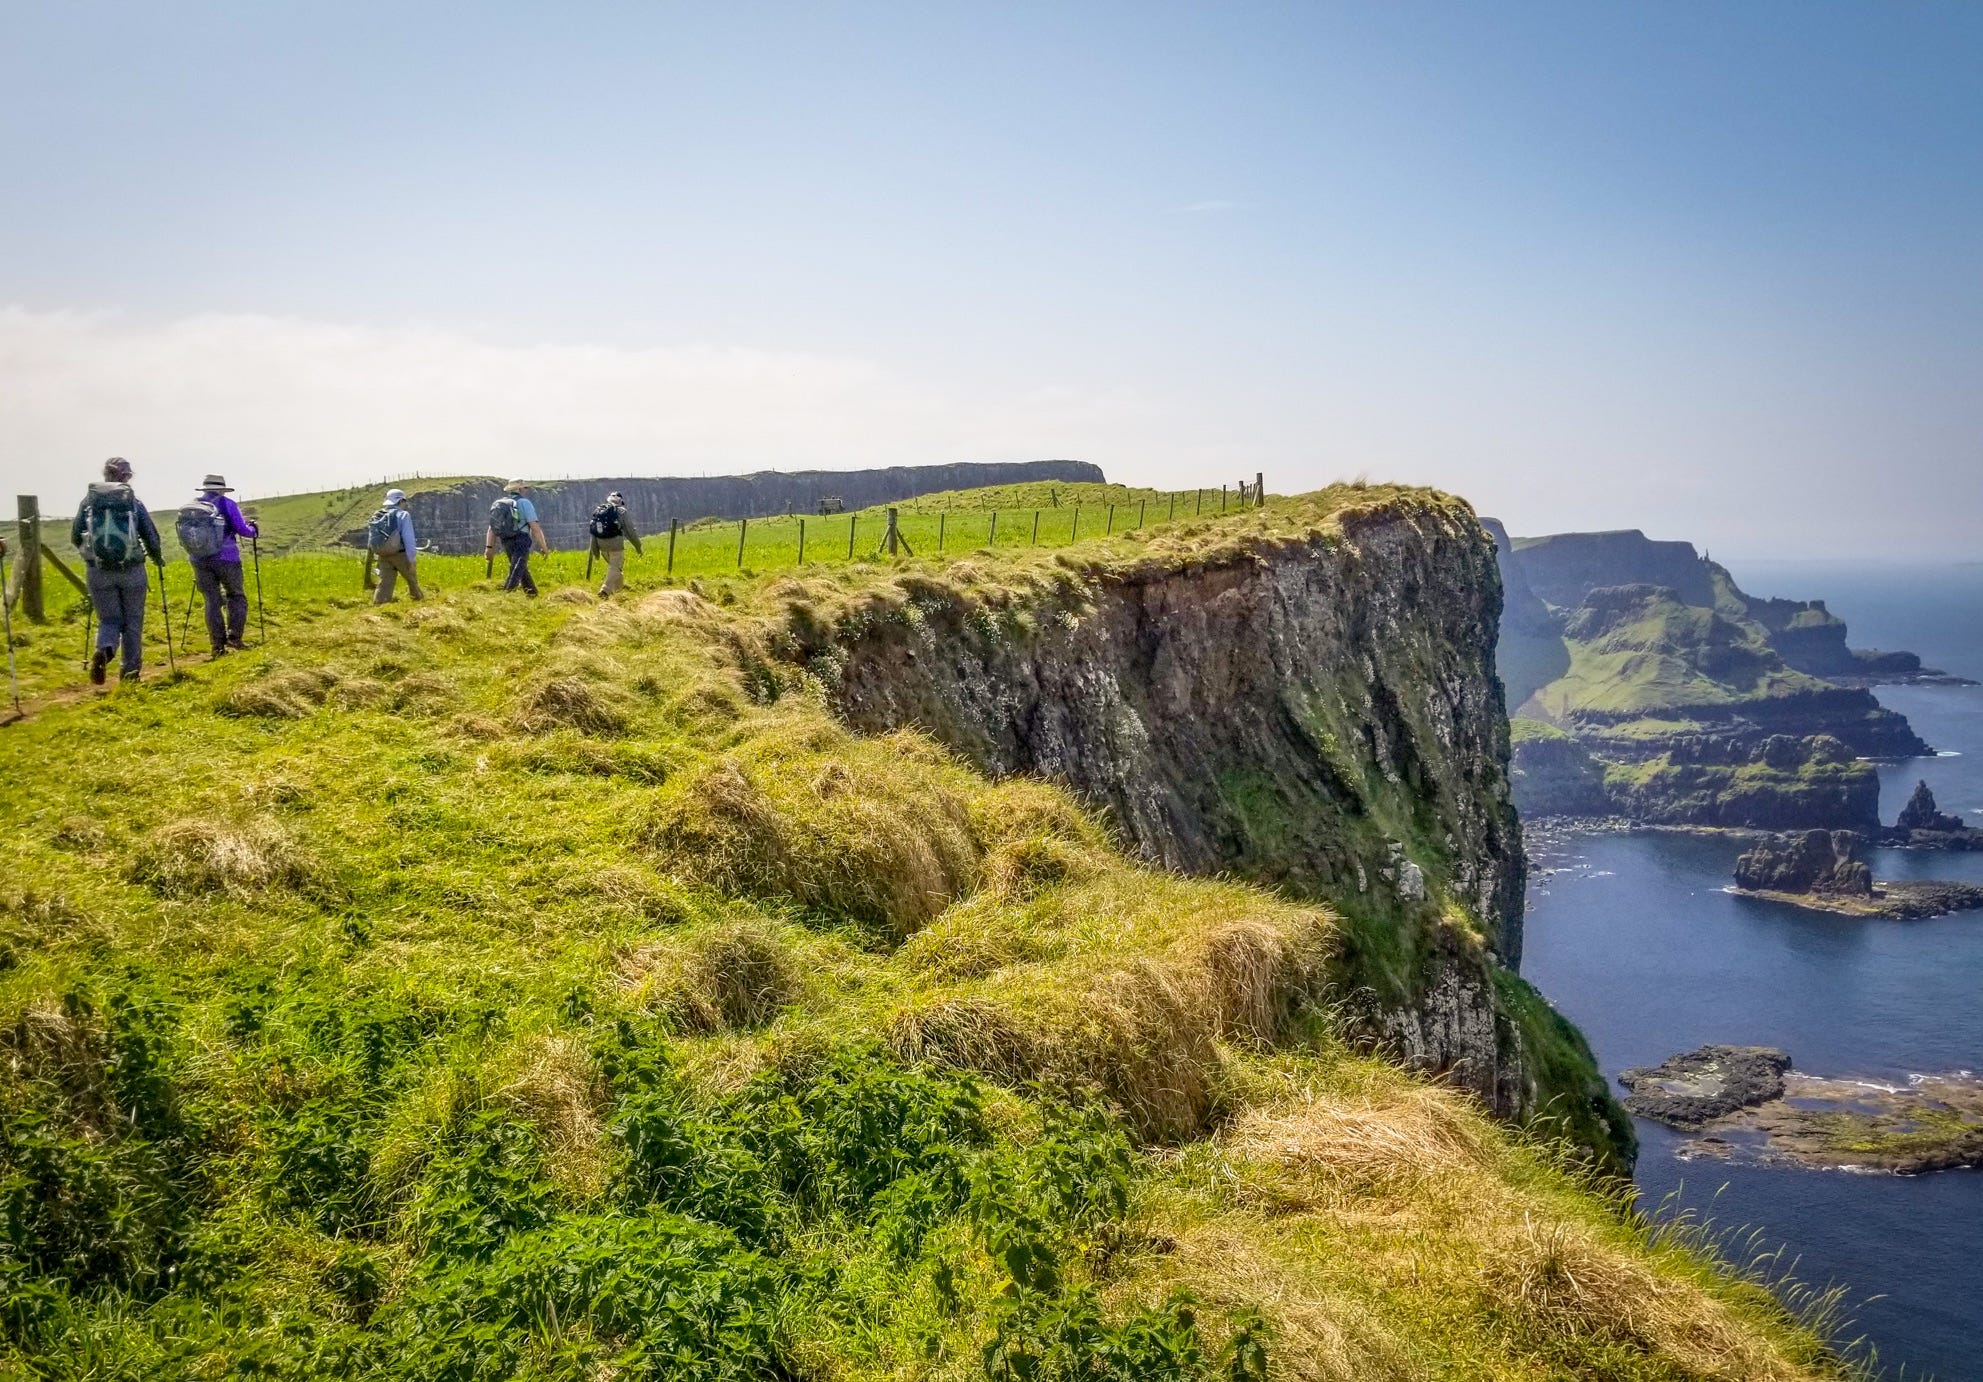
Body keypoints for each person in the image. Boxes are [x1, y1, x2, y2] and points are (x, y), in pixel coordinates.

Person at [71, 457, 164, 685]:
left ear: (106, 475)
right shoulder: (133, 503)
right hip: (132, 570)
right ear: (126, 477)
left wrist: (92, 556)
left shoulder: (89, 503)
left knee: (109, 619)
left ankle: (104, 649)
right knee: (133, 622)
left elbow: (75, 536)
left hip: (99, 571)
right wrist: (157, 558)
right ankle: (130, 675)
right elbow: (151, 537)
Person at [177, 473, 258, 655]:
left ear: (204, 488)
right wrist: (253, 529)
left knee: (211, 601)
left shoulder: (193, 507)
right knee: (236, 596)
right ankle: (234, 637)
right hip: (227, 558)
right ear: (221, 489)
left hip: (199, 560)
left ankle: (217, 646)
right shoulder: (227, 504)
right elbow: (242, 530)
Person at [485, 479, 548, 597]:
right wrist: (544, 547)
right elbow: (535, 527)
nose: (526, 490)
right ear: (519, 489)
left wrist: (489, 547)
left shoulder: (501, 504)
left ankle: (532, 593)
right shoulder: (524, 503)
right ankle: (508, 593)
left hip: (506, 539)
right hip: (521, 538)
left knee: (518, 566)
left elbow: (492, 528)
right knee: (518, 567)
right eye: (525, 487)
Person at [367, 488, 424, 604]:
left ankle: (380, 606)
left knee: (385, 582)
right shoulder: (403, 515)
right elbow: (409, 539)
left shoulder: (378, 515)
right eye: (404, 501)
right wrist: (411, 559)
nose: (405, 503)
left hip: (383, 553)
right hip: (400, 554)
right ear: (400, 501)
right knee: (411, 580)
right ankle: (418, 603)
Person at [588, 490, 643, 596]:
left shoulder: (599, 511)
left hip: (602, 546)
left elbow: (593, 531)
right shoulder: (622, 512)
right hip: (616, 545)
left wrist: (595, 550)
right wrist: (638, 546)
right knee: (615, 567)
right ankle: (605, 590)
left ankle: (619, 591)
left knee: (616, 569)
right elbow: (630, 531)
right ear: (621, 502)